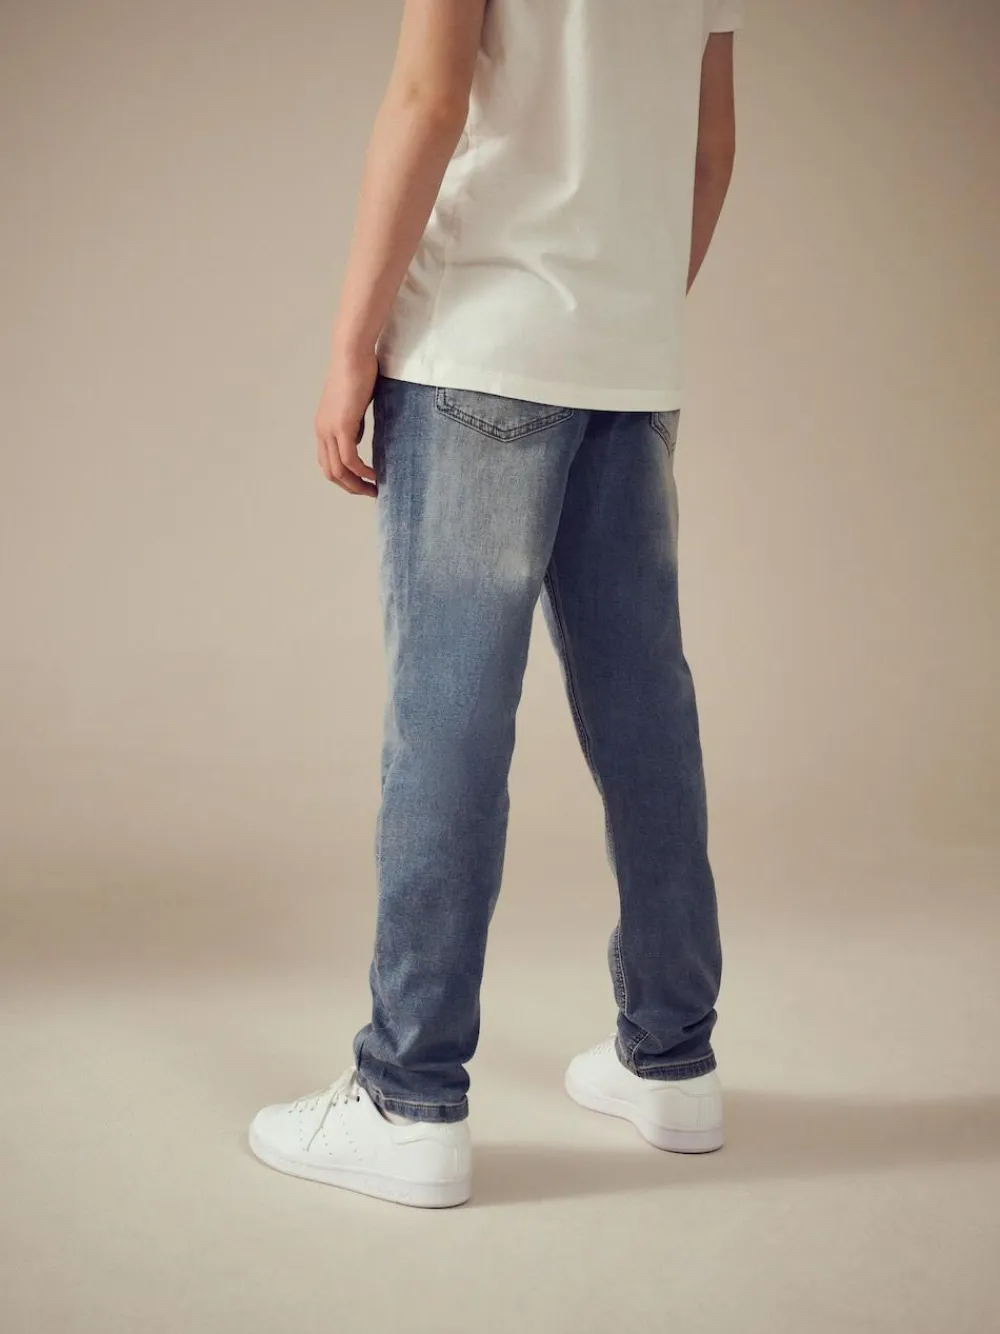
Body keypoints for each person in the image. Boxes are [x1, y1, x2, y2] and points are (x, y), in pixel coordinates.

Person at [249, 0, 743, 1208]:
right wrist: (618, 318)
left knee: (449, 719)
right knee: (645, 712)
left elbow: (429, 100)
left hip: (477, 343)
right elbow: (709, 145)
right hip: (626, 363)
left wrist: (350, 344)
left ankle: (407, 1095)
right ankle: (673, 1058)